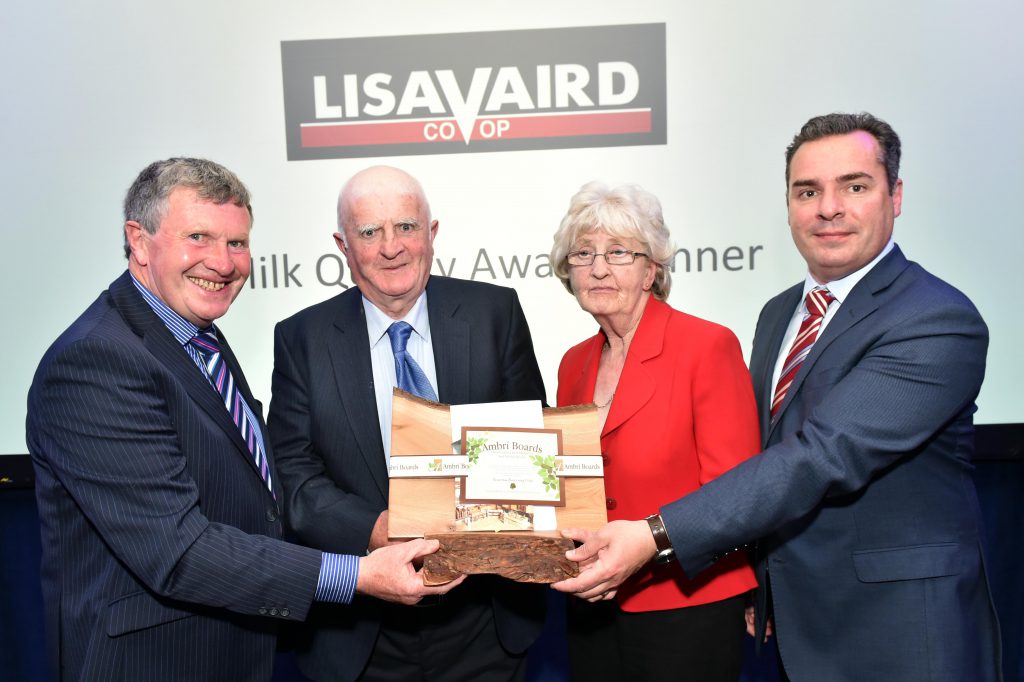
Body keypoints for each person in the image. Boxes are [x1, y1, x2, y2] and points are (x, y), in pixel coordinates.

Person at [552, 113, 1003, 681]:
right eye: (807, 191)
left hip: (901, 628)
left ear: (895, 195)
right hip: (794, 620)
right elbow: (763, 456)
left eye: (854, 186)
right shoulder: (780, 314)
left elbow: (822, 455)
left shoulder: (935, 317)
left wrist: (654, 534)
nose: (828, 208)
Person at [26, 158, 460, 682]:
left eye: (236, 243)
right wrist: (357, 575)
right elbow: (179, 551)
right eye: (199, 238)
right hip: (154, 663)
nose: (222, 262)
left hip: (229, 648)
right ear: (139, 241)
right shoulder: (95, 361)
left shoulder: (195, 334)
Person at [268, 165, 547, 681]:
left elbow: (530, 451)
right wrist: (380, 531)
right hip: (361, 632)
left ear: (431, 232)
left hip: (483, 620)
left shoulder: (495, 312)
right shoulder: (301, 339)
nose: (391, 247)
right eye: (369, 232)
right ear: (343, 245)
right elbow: (294, 476)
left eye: (406, 226)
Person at [549, 182, 761, 680]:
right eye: (583, 253)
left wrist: (651, 548)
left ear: (651, 270)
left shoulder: (707, 346)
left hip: (687, 603)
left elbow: (735, 496)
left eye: (618, 252)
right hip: (592, 605)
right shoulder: (572, 364)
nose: (598, 268)